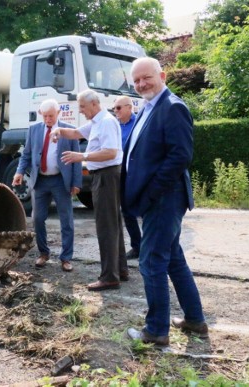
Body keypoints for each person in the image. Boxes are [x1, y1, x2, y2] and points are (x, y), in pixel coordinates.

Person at [123, 57, 207, 346]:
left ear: (162, 75)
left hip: (164, 199)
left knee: (151, 262)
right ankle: (195, 320)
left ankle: (156, 330)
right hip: (159, 200)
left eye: (146, 77)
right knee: (173, 259)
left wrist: (151, 193)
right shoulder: (149, 106)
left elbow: (180, 156)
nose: (141, 84)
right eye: (136, 81)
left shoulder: (173, 107)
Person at [52, 90, 127, 291]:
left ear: (94, 104)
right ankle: (120, 269)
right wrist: (58, 130)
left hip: (106, 176)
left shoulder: (106, 122)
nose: (80, 111)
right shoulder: (96, 122)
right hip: (105, 175)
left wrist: (81, 156)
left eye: (82, 107)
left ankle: (110, 277)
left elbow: (111, 152)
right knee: (113, 223)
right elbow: (76, 133)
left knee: (106, 226)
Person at [12, 99, 82, 272]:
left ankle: (66, 258)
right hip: (40, 181)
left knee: (66, 219)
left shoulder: (69, 131)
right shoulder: (34, 130)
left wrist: (76, 183)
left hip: (60, 180)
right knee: (37, 218)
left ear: (58, 113)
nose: (48, 119)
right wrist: (19, 172)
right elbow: (26, 155)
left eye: (51, 115)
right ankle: (43, 253)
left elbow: (77, 160)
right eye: (45, 116)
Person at [114, 96, 141, 260]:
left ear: (129, 108)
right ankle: (137, 246)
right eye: (114, 108)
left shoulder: (139, 124)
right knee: (127, 211)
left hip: (138, 173)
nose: (115, 111)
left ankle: (151, 247)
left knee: (145, 211)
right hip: (121, 174)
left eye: (118, 108)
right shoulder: (115, 126)